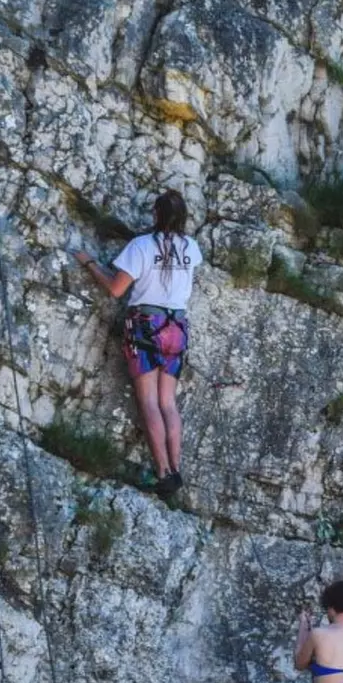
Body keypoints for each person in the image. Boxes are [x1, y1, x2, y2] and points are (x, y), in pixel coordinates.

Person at [74, 190, 202, 499]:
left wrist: (89, 263)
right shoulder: (191, 248)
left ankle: (163, 472)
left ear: (156, 215)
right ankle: (176, 466)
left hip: (146, 325)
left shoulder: (142, 246)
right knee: (168, 402)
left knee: (148, 401)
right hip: (177, 327)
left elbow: (117, 289)